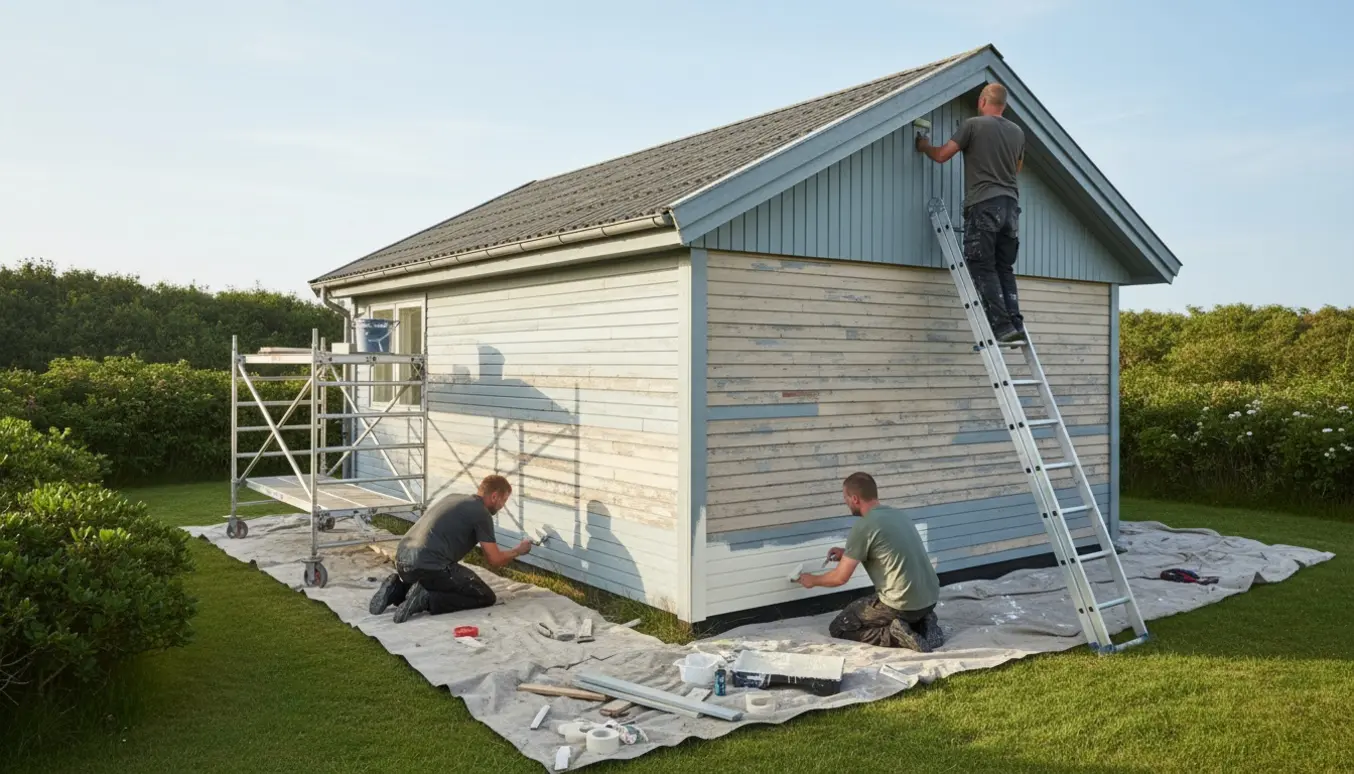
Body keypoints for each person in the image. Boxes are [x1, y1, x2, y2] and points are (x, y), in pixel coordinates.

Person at [915, 82, 1027, 343]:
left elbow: (942, 155)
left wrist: (924, 146)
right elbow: (1016, 169)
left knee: (982, 264)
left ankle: (1001, 327)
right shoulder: (1018, 132)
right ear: (1005, 105)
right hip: (1011, 208)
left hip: (985, 205)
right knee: (1004, 267)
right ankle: (1015, 322)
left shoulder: (973, 125)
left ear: (982, 101)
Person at [797, 472, 943, 651]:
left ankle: (897, 635)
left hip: (902, 604)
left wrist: (813, 580)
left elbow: (840, 578)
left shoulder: (864, 525)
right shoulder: (898, 515)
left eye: (846, 498)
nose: (846, 503)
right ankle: (924, 623)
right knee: (880, 608)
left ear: (855, 499)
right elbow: (886, 548)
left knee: (840, 626)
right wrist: (847, 553)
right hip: (929, 598)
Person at [368, 474, 533, 623]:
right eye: (504, 500)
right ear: (494, 496)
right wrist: (518, 550)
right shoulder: (481, 513)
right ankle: (426, 599)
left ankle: (397, 588)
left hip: (403, 562)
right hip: (430, 566)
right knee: (484, 596)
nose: (502, 506)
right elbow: (494, 560)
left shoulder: (452, 497)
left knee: (433, 580)